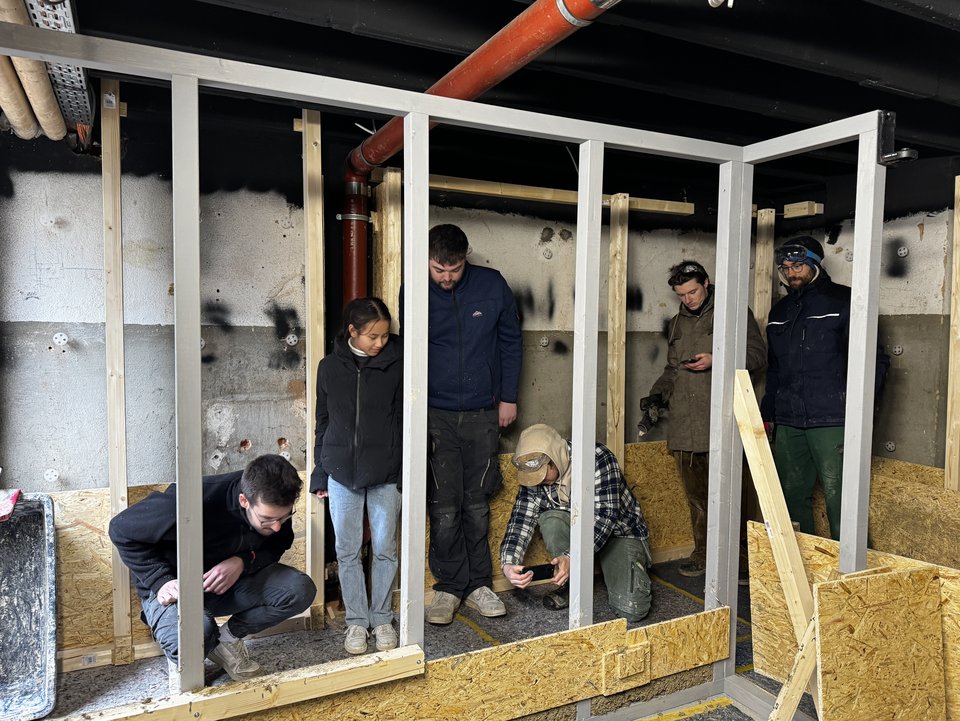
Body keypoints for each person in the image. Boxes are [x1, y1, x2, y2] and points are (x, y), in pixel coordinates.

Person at [108, 454, 316, 690]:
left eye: (284, 517)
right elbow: (120, 530)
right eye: (267, 519)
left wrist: (243, 561)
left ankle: (226, 642)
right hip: (175, 591)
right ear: (244, 500)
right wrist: (160, 580)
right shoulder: (189, 500)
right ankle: (184, 658)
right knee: (195, 635)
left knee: (299, 589)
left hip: (227, 585)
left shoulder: (276, 503)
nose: (277, 526)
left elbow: (278, 544)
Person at [402, 223, 522, 625]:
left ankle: (478, 584)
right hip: (434, 413)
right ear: (428, 262)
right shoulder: (413, 289)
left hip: (482, 411)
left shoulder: (492, 286)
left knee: (476, 503)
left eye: (453, 269)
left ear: (465, 259)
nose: (447, 278)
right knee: (444, 505)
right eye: (439, 270)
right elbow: (409, 350)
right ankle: (448, 587)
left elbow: (510, 341)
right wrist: (413, 406)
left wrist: (508, 396)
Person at [641, 260, 766, 578]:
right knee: (696, 496)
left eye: (693, 291)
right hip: (685, 422)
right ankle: (704, 552)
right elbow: (672, 369)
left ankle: (738, 556)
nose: (688, 299)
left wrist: (717, 359)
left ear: (707, 283)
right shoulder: (676, 324)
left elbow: (757, 355)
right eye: (682, 294)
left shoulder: (734, 312)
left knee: (732, 494)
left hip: (721, 420)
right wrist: (657, 394)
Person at [761, 235, 889, 539]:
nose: (791, 273)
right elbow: (775, 368)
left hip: (834, 418)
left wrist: (861, 408)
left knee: (841, 499)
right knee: (791, 497)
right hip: (790, 420)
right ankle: (801, 575)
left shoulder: (846, 301)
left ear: (815, 264)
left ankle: (854, 578)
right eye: (785, 268)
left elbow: (876, 361)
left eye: (797, 266)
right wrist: (768, 414)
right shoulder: (779, 313)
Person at [310, 297, 403, 656]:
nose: (380, 343)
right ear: (352, 331)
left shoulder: (397, 365)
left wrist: (402, 471)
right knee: (347, 551)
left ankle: (382, 618)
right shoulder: (329, 368)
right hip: (340, 474)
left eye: (384, 335)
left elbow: (403, 421)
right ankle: (356, 623)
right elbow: (323, 422)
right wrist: (321, 471)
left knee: (384, 549)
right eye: (372, 336)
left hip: (385, 473)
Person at [499, 424, 653, 621]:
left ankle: (592, 566)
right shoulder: (536, 479)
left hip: (618, 534)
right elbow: (521, 518)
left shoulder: (597, 458)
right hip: (578, 534)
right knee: (551, 520)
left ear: (555, 459)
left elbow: (605, 519)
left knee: (632, 611)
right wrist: (508, 563)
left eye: (541, 474)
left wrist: (573, 557)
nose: (536, 482)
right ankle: (571, 579)